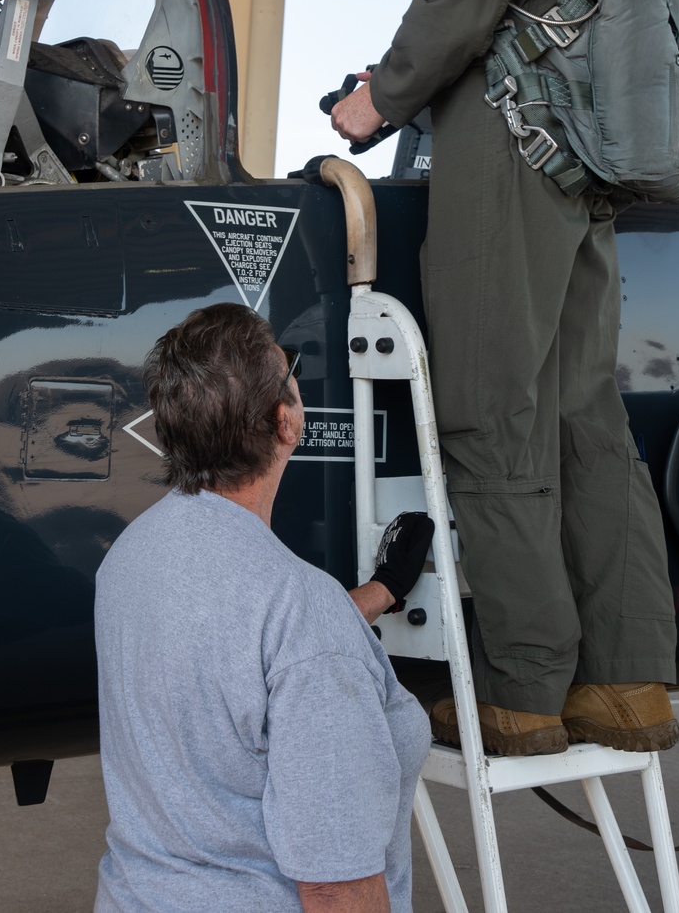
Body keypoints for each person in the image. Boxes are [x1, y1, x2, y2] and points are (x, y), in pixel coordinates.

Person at [331, 0, 679, 759]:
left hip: (505, 158)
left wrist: (374, 101)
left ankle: (524, 692)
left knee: (489, 414)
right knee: (586, 420)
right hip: (578, 164)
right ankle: (627, 685)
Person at [93, 302, 433, 913]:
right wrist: (336, 613)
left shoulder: (130, 557)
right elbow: (335, 885)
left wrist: (382, 590)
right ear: (286, 421)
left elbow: (232, 651)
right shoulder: (299, 610)